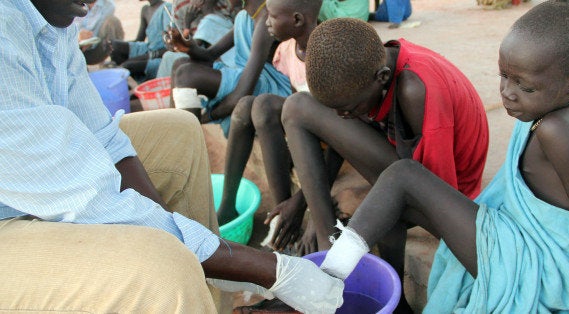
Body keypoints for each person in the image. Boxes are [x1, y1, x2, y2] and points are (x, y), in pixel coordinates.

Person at [0, 1, 345, 313]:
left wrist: (180, 232)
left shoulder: (53, 16)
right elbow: (86, 195)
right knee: (164, 271)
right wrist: (271, 270)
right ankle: (190, 282)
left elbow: (104, 137)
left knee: (180, 129)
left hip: (41, 178)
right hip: (11, 218)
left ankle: (210, 297)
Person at [318, 1, 569, 313]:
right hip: (529, 241)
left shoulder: (558, 131)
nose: (507, 92)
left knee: (403, 175)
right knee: (394, 194)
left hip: (537, 266)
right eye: (504, 75)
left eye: (525, 86)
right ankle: (371, 289)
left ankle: (326, 278)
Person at [280, 16, 488, 309]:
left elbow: (438, 188)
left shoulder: (414, 90)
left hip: (449, 190)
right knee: (298, 107)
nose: (343, 119)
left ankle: (379, 286)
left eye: (349, 110)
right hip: (410, 166)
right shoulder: (375, 67)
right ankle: (328, 238)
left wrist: (371, 214)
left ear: (381, 77)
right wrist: (312, 207)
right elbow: (347, 137)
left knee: (298, 110)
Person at [215, 0, 323, 231]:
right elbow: (296, 102)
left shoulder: (325, 53)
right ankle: (229, 204)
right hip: (301, 132)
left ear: (296, 19)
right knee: (245, 106)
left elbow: (336, 122)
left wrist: (302, 200)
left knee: (263, 105)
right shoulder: (287, 51)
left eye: (271, 16)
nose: (266, 22)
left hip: (325, 139)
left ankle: (283, 215)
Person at [168, 0, 292, 138]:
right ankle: (176, 132)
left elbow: (242, 93)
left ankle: (188, 144)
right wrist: (188, 48)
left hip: (270, 88)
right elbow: (210, 55)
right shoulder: (243, 17)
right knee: (179, 63)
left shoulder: (265, 21)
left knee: (186, 75)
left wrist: (207, 117)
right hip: (249, 78)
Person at [155, 0, 238, 78]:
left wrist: (187, 24)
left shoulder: (210, 19)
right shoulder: (180, 6)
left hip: (220, 62)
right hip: (216, 58)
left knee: (169, 58)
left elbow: (190, 47)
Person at [109, 0, 171, 82]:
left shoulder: (167, 8)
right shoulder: (145, 9)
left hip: (163, 56)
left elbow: (171, 46)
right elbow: (139, 39)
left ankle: (137, 85)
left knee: (127, 66)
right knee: (113, 46)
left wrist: (140, 58)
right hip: (149, 49)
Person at [75, 0, 124, 65]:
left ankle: (117, 60)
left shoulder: (108, 5)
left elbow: (98, 33)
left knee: (113, 21)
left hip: (94, 49)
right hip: (74, 50)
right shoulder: (74, 5)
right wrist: (78, 38)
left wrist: (87, 40)